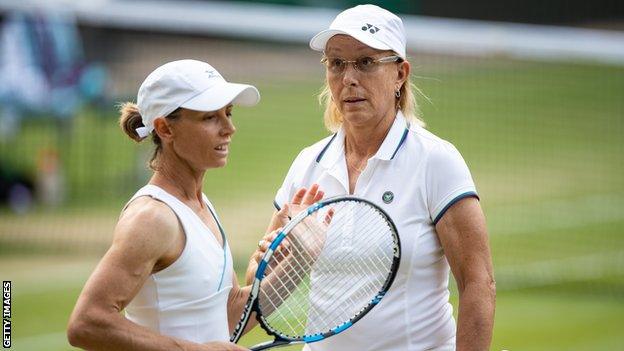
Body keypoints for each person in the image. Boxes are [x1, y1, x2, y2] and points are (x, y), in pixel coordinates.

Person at [265, 5, 495, 351]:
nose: (349, 78)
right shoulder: (307, 164)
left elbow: (478, 282)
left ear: (400, 74)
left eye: (366, 62)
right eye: (336, 64)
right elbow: (264, 284)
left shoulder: (436, 160)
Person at [67, 59, 324, 351]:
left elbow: (228, 315)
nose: (229, 128)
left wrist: (302, 260)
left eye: (228, 113)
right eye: (209, 118)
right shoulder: (152, 218)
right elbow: (86, 323)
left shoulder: (201, 206)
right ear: (165, 128)